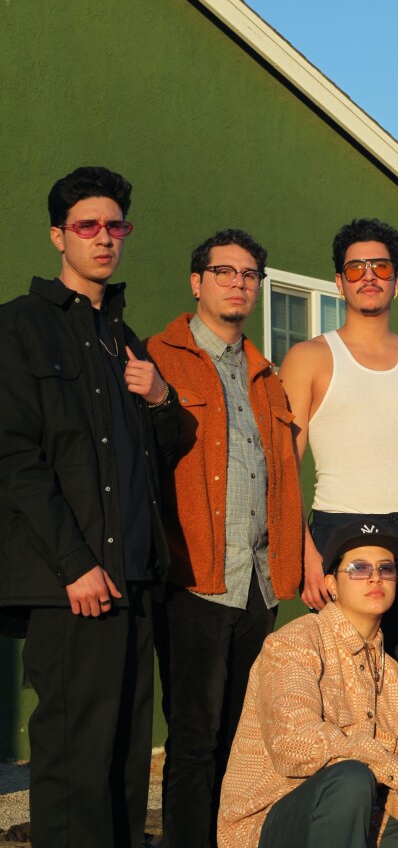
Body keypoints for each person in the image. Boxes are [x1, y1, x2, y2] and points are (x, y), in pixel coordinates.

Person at [0, 166, 178, 848]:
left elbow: (149, 466)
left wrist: (161, 399)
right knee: (74, 766)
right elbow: (14, 459)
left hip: (131, 579)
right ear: (58, 236)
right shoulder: (19, 329)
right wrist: (75, 564)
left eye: (115, 226)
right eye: (87, 226)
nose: (104, 238)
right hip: (69, 582)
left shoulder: (125, 341)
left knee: (127, 767)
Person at [147, 229, 304, 848]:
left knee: (243, 738)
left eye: (249, 275)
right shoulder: (160, 357)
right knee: (192, 739)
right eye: (224, 272)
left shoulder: (265, 373)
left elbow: (283, 478)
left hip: (258, 583)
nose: (238, 283)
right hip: (194, 576)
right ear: (197, 282)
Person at [279, 218, 398, 741]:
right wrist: (305, 553)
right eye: (356, 267)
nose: (368, 275)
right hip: (338, 532)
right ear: (339, 280)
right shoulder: (309, 358)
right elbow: (284, 468)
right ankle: (350, 814)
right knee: (344, 690)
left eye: (380, 266)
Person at [218, 522, 398, 848]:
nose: (375, 577)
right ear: (331, 584)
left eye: (387, 568)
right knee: (351, 779)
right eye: (358, 568)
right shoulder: (294, 644)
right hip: (270, 826)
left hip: (366, 825)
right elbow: (294, 743)